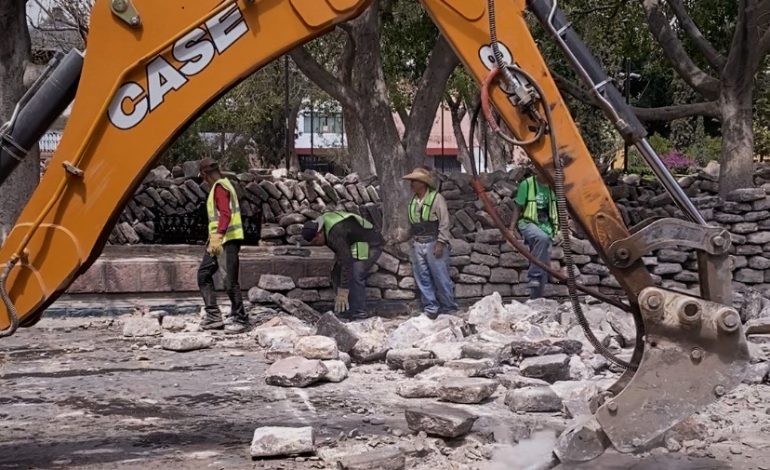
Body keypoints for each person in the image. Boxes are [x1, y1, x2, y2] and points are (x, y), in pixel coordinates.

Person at [197, 158, 249, 334]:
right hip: (217, 239)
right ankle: (213, 316)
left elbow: (225, 214)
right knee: (204, 274)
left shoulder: (220, 188)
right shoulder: (223, 185)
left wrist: (218, 235)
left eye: (202, 176)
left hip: (226, 240)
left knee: (229, 280)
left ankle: (240, 317)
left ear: (204, 174)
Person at [301, 211, 383, 320]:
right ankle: (344, 310)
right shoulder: (323, 225)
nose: (317, 245)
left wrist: (343, 291)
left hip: (370, 243)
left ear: (319, 233)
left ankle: (359, 314)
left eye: (316, 242)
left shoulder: (335, 232)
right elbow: (342, 255)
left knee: (356, 273)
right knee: (335, 271)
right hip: (351, 244)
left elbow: (346, 260)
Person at [402, 167, 458, 319]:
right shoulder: (413, 201)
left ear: (423, 183)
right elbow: (413, 224)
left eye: (414, 181)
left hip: (433, 241)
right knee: (422, 277)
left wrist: (440, 243)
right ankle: (431, 307)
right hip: (418, 242)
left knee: (440, 276)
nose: (411, 184)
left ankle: (448, 307)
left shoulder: (436, 198)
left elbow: (444, 222)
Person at [510, 167, 559, 299]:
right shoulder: (527, 185)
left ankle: (536, 299)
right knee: (542, 239)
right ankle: (534, 275)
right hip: (528, 222)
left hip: (546, 225)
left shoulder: (554, 185)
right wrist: (511, 229)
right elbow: (518, 207)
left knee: (544, 259)